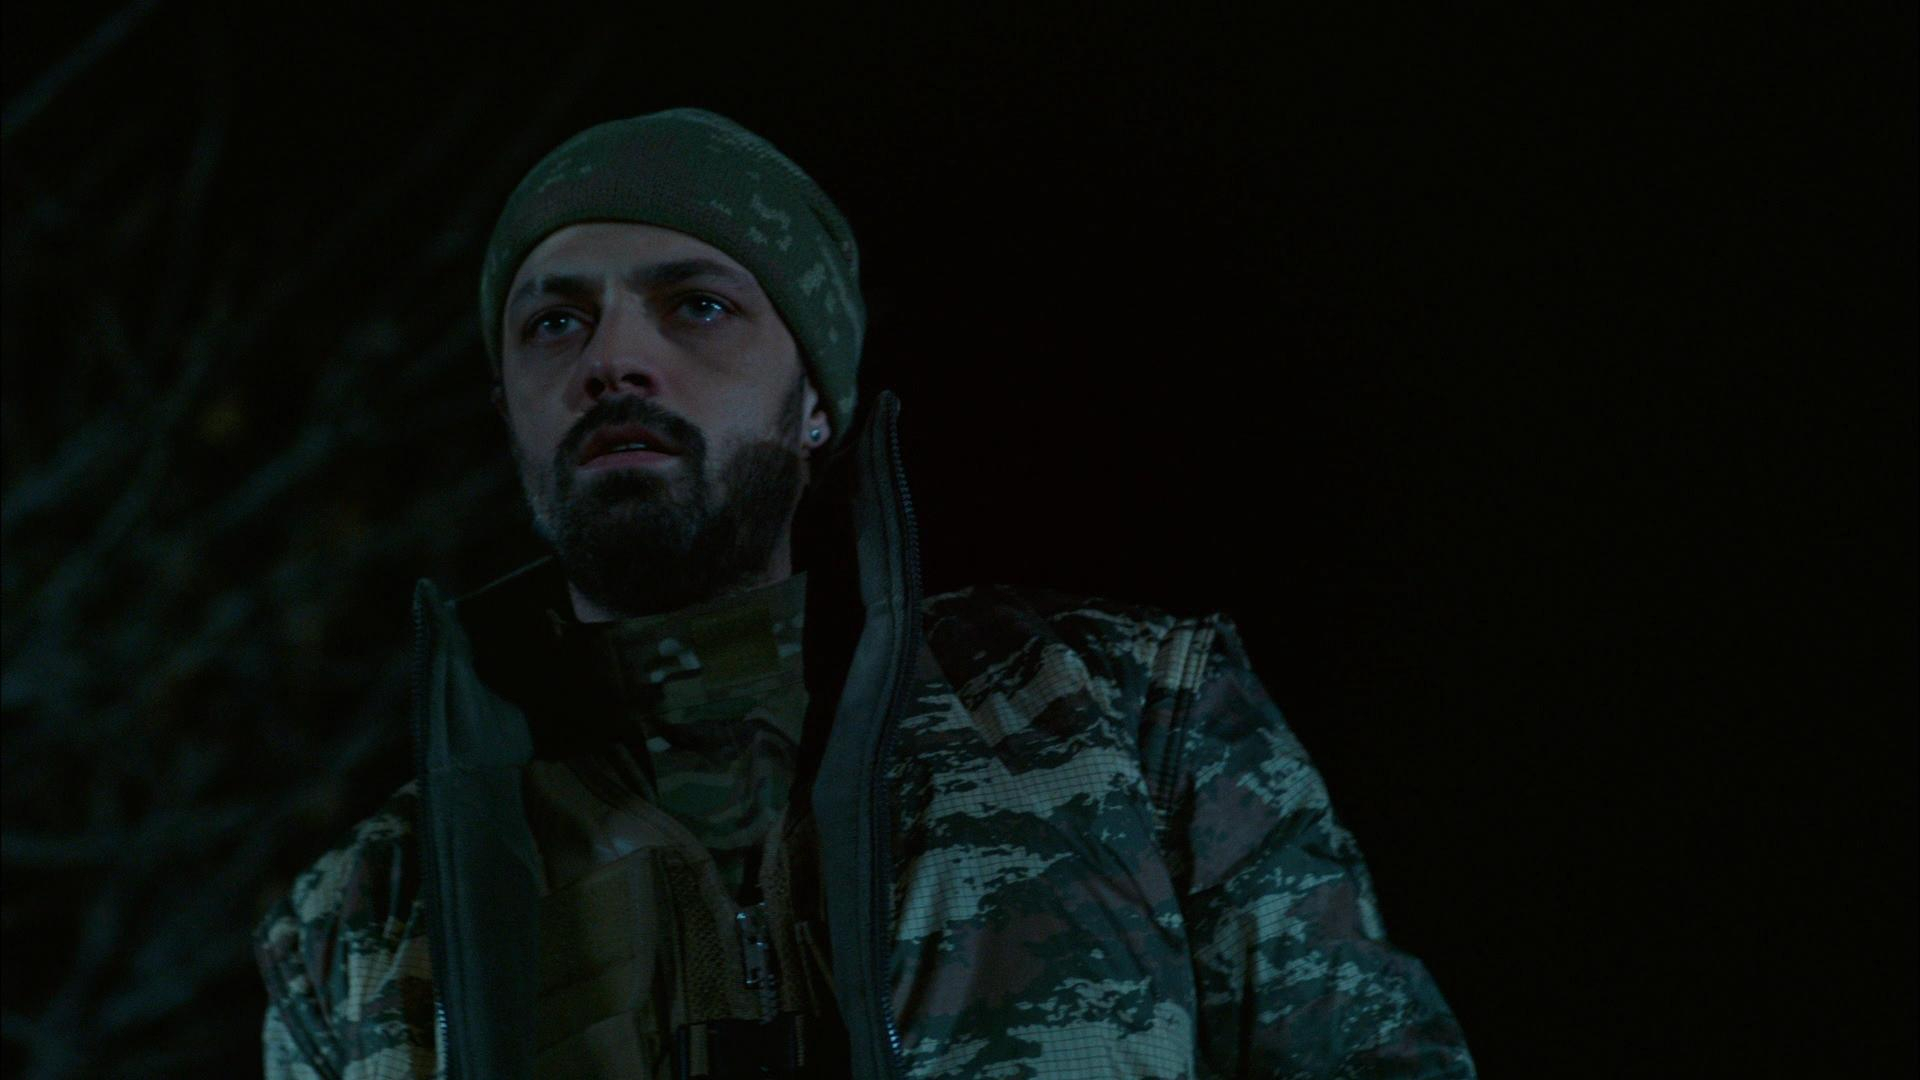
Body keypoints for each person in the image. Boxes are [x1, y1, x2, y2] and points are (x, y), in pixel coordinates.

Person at [254, 108, 1476, 1080]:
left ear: (816, 403)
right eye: (556, 322)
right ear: (509, 410)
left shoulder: (1130, 720)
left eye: (698, 306)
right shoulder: (362, 924)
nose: (614, 358)